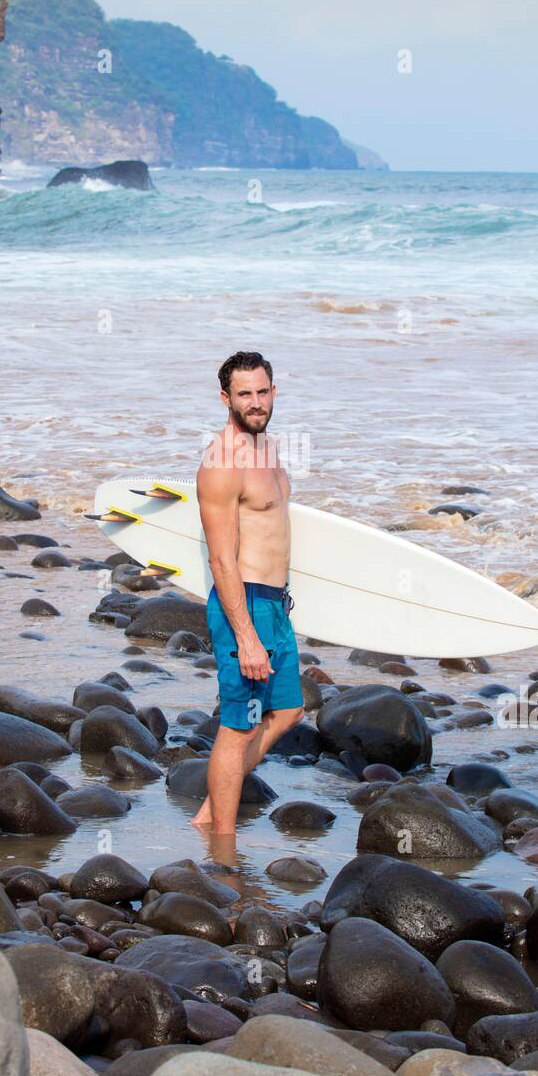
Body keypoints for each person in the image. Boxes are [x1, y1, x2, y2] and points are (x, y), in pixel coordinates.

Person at [190, 350, 304, 837]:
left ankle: (209, 813)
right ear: (225, 398)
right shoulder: (221, 466)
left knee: (291, 710)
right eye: (244, 394)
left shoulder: (270, 448)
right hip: (245, 604)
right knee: (239, 727)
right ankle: (222, 846)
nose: (255, 403)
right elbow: (221, 560)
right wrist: (248, 638)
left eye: (262, 392)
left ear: (273, 392)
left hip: (276, 603)